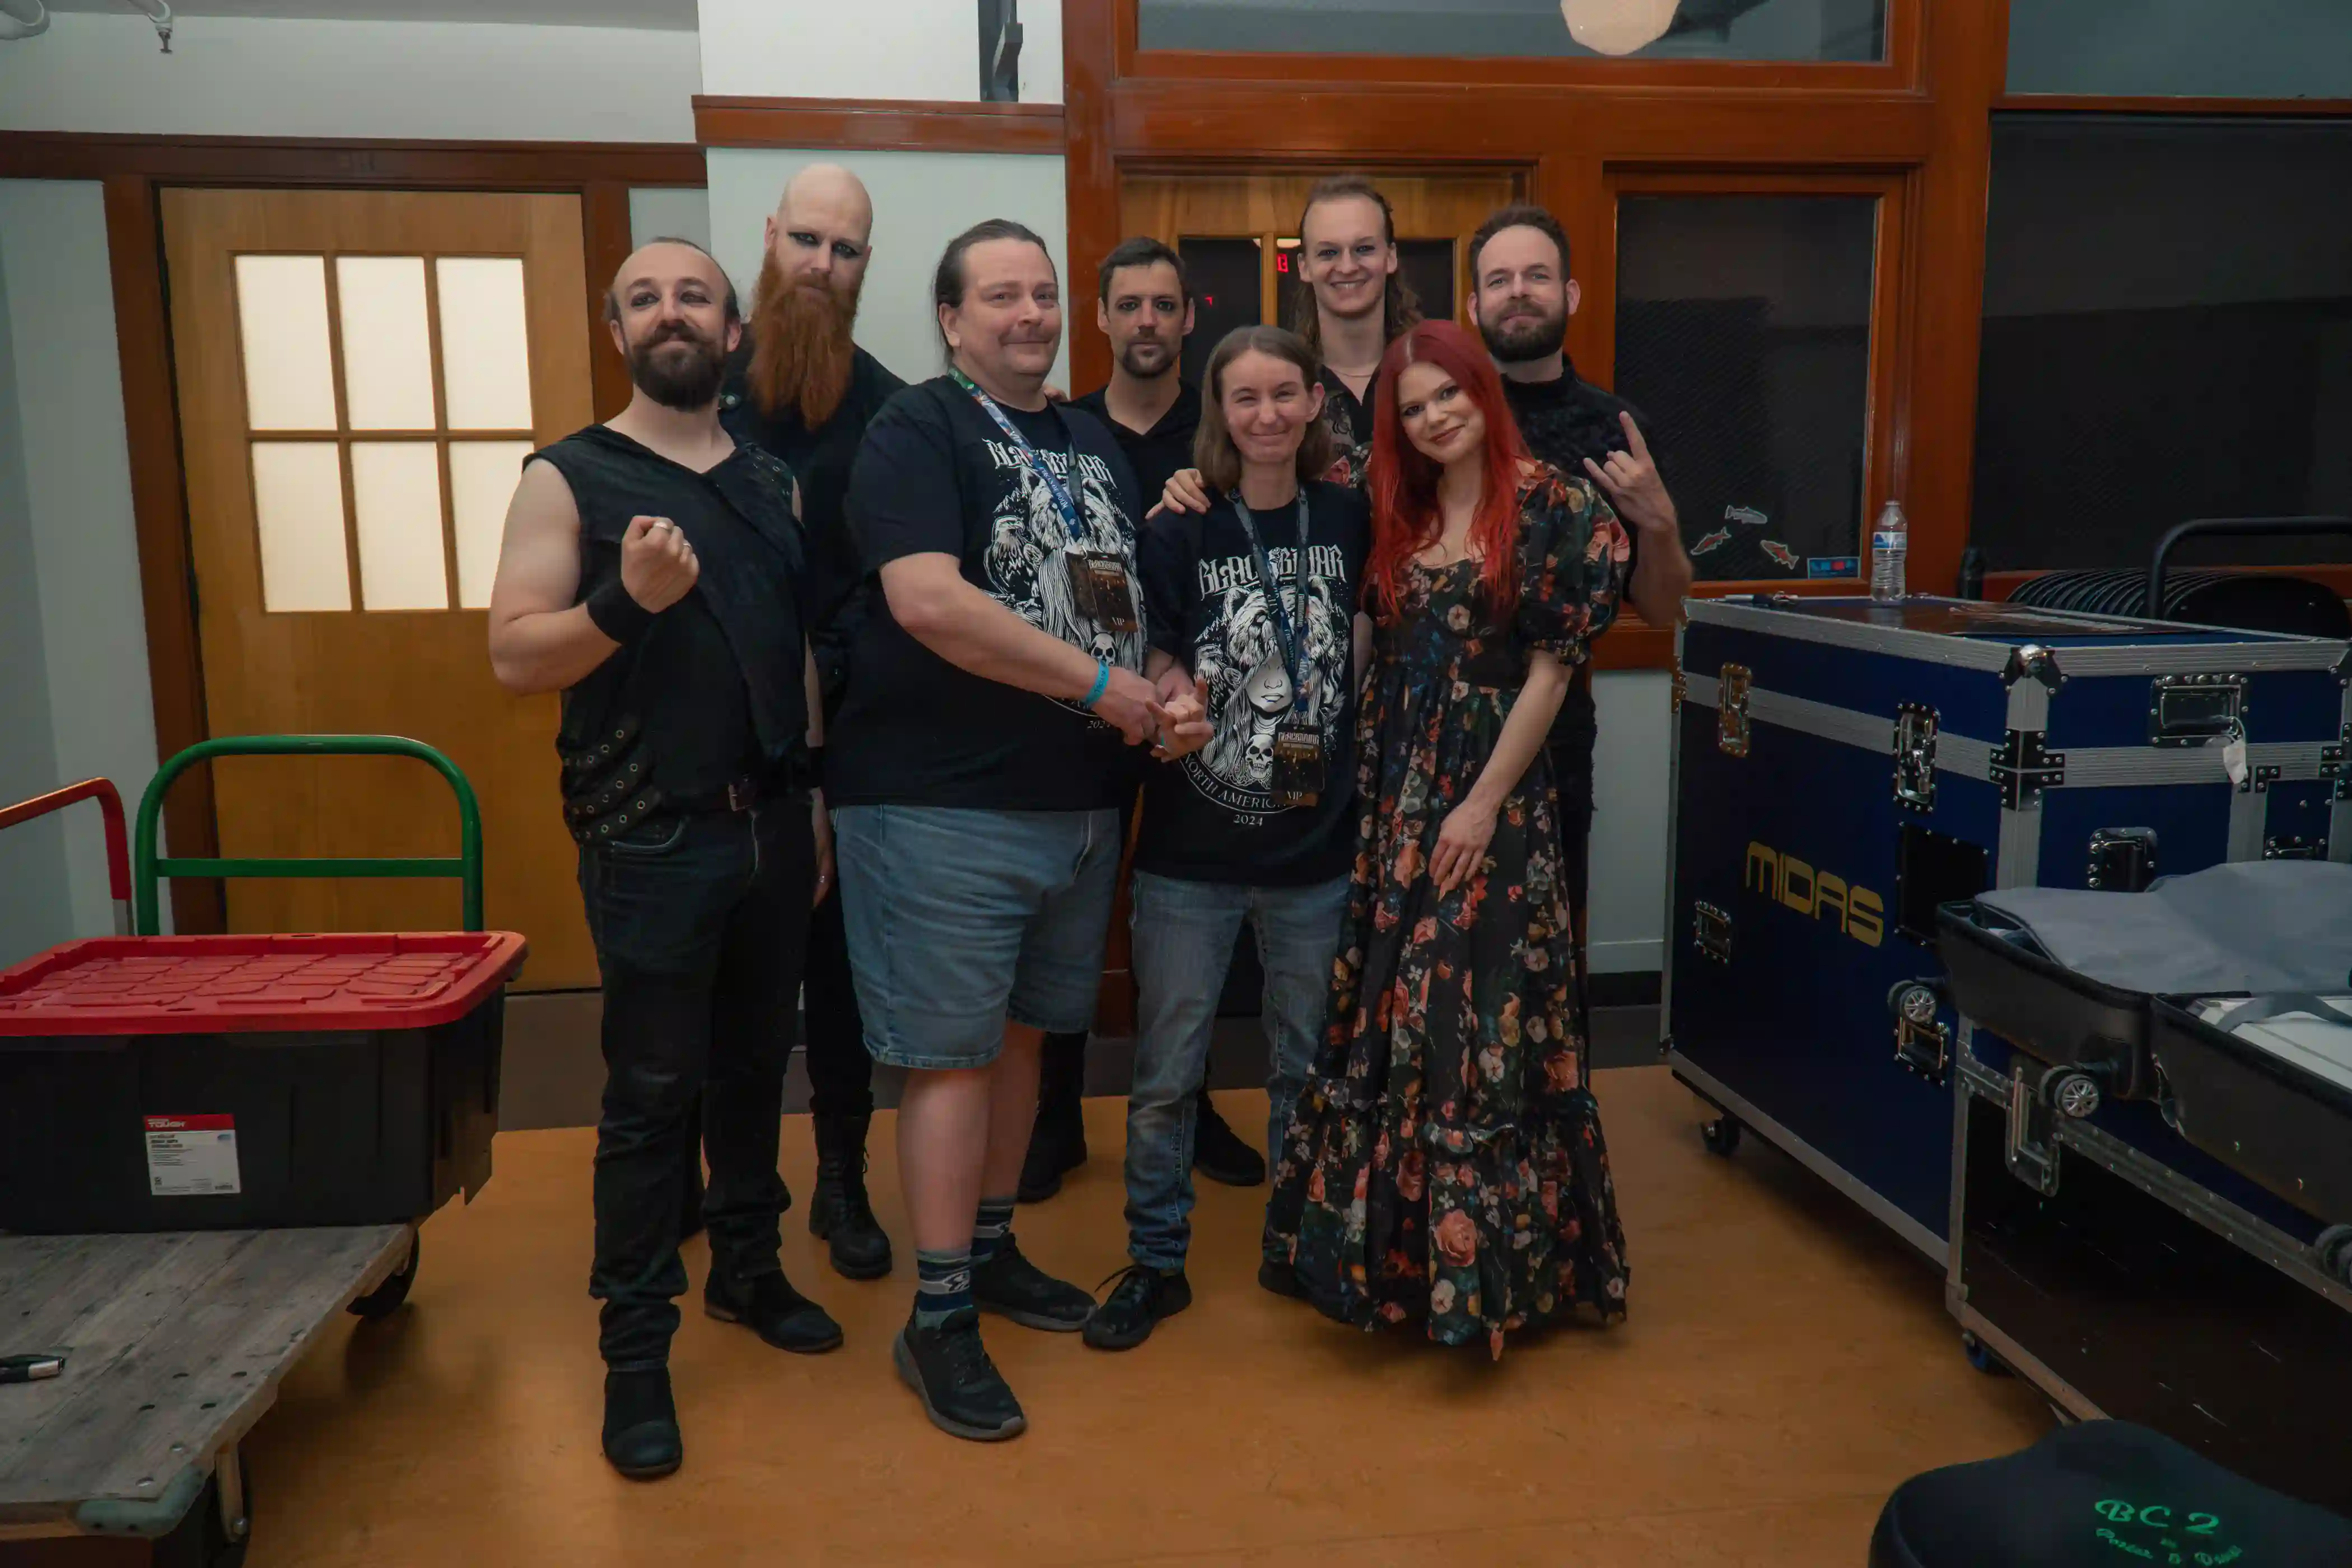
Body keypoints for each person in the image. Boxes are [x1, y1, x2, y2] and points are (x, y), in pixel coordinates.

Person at [830, 218, 1209, 1441]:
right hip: (944, 803)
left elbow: (1126, 606)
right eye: (1001, 296)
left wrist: (1164, 685)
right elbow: (927, 600)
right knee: (950, 1056)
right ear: (950, 320)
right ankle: (938, 1316)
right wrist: (1104, 689)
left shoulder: (1089, 440)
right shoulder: (916, 430)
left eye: (1043, 293)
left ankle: (988, 1253)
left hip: (1079, 806)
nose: (1030, 313)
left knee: (1025, 1040)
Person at [487, 239, 839, 1480]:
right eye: (645, 298)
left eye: (694, 295)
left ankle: (748, 1268)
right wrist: (625, 599)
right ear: (619, 331)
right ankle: (635, 1351)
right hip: (651, 837)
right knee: (648, 1098)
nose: (670, 312)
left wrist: (814, 798)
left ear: (733, 331)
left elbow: (793, 648)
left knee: (754, 1069)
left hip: (773, 823)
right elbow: (516, 654)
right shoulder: (566, 477)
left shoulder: (773, 479)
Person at [1259, 320, 1634, 1355]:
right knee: (1393, 1010)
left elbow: (1552, 676)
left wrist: (1480, 803)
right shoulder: (1396, 506)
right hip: (1396, 792)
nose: (1434, 418)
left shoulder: (1558, 507)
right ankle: (1397, 1270)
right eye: (1413, 406)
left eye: (1449, 395)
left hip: (1492, 799)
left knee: (1469, 1015)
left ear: (1483, 391)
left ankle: (1491, 1281)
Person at [1086, 325, 1373, 1352]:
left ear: (1314, 403)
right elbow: (1156, 649)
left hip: (1315, 855)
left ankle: (1294, 1241)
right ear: (1219, 410)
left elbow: (1373, 640)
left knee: (1304, 1067)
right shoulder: (1182, 524)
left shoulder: (1351, 516)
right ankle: (1156, 1260)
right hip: (1189, 856)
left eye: (1284, 394)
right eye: (1244, 398)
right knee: (1168, 1075)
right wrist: (1170, 698)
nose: (1266, 415)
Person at [1024, 237, 1265, 1205]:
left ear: (1189, 316)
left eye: (1165, 305)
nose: (1148, 322)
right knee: (1067, 916)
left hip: (1189, 713)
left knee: (1183, 924)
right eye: (1129, 305)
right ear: (1101, 317)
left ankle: (1192, 1105)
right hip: (1078, 710)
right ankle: (1054, 1113)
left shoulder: (1222, 434)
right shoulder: (1063, 428)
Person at [716, 162, 902, 1280]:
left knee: (838, 975)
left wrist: (824, 717)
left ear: (866, 265)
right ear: (771, 236)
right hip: (709, 738)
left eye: (846, 250)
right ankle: (720, 1189)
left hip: (848, 739)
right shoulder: (697, 388)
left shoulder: (892, 410)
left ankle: (842, 1179)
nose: (823, 266)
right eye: (808, 241)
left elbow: (891, 584)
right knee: (716, 982)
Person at [1464, 202, 1695, 1024]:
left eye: (1536, 276)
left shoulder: (1616, 429)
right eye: (1499, 280)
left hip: (1556, 736)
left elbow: (1663, 609)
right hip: (1437, 729)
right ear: (1474, 305)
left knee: (1548, 957)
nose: (1518, 292)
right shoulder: (1447, 416)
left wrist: (1659, 522)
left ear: (1570, 294)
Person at [1292, 174, 1422, 488]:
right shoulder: (1285, 385)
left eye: (1364, 248)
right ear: (1304, 266)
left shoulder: (1435, 373)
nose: (1348, 266)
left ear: (1390, 257)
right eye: (1328, 252)